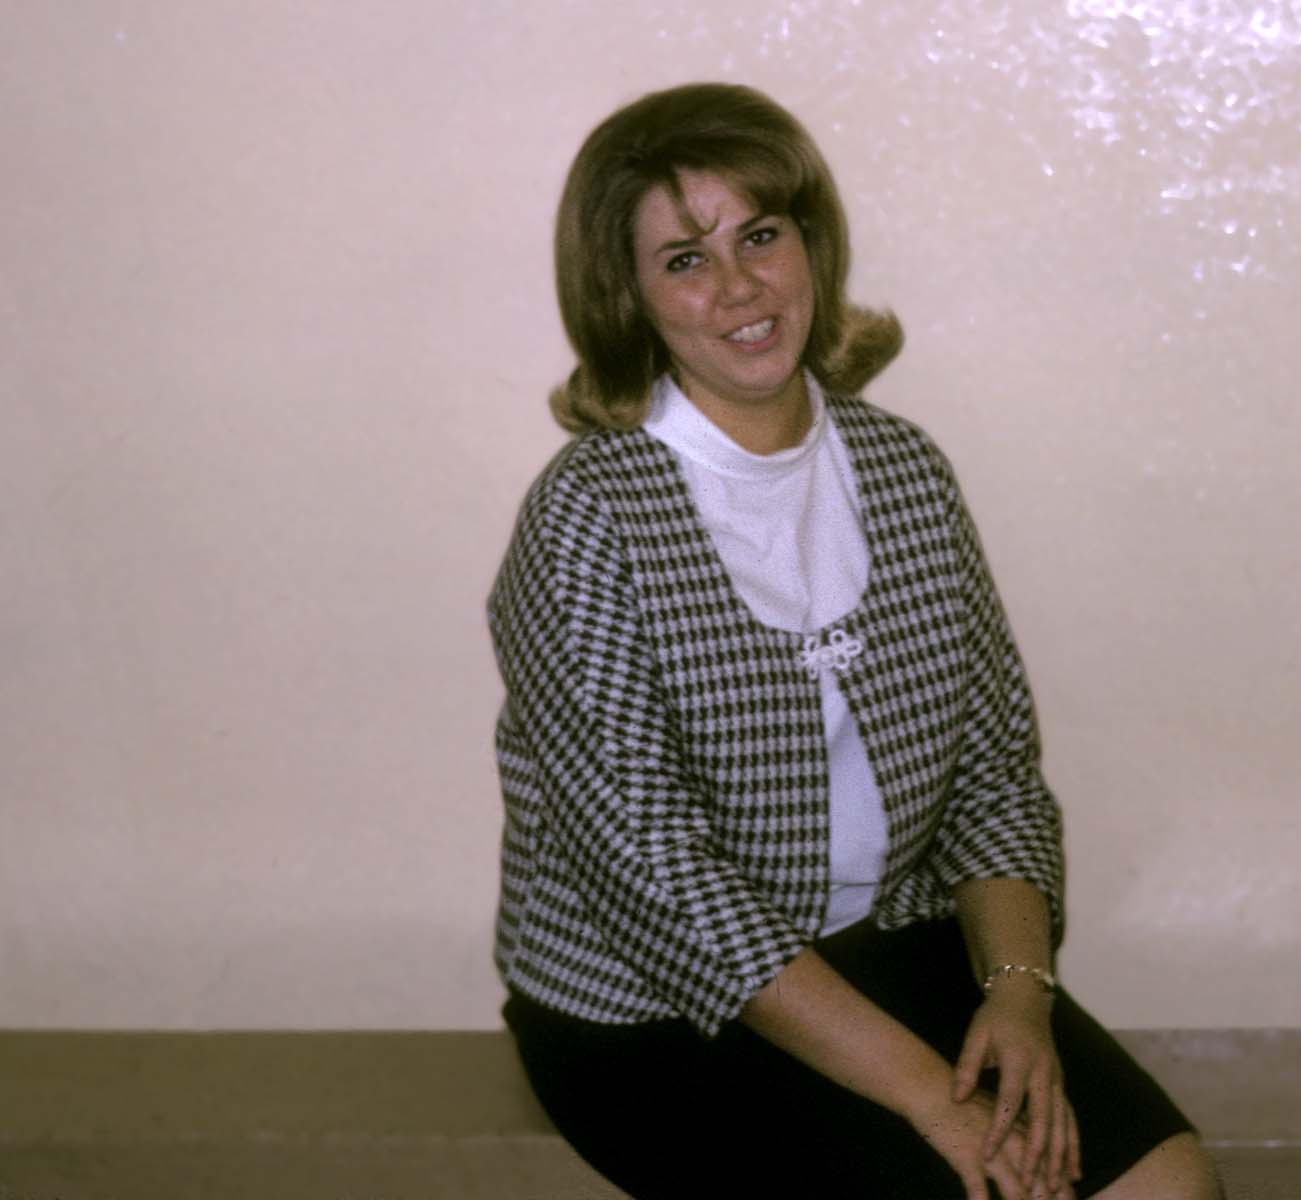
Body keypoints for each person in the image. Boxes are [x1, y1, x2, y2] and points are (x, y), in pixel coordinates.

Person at [487, 82, 1222, 1200]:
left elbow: (992, 777)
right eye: (684, 259)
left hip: (892, 945)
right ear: (628, 297)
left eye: (760, 237)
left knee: (1171, 1189)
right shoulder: (587, 516)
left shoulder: (903, 470)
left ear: (811, 246)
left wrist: (1019, 997)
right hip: (656, 1015)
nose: (739, 287)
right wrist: (930, 1095)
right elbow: (654, 876)